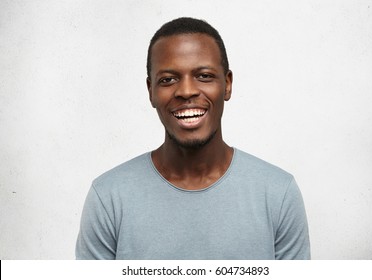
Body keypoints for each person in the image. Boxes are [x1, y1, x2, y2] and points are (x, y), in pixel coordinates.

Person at [76, 17, 310, 260]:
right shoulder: (109, 197)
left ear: (227, 85)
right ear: (151, 91)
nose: (186, 91)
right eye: (168, 79)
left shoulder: (278, 193)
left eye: (204, 76)